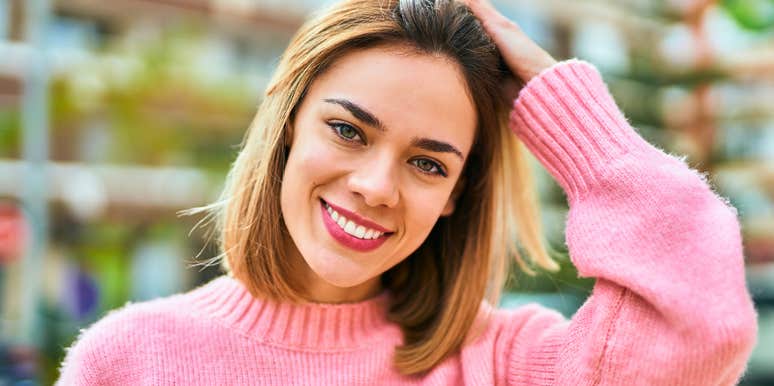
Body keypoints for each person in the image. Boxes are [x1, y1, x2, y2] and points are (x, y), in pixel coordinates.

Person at [56, 0, 758, 384]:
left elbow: (703, 330)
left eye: (428, 164)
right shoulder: (127, 359)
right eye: (348, 130)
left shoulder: (506, 364)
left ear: (457, 192)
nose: (374, 186)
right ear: (288, 121)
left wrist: (569, 116)